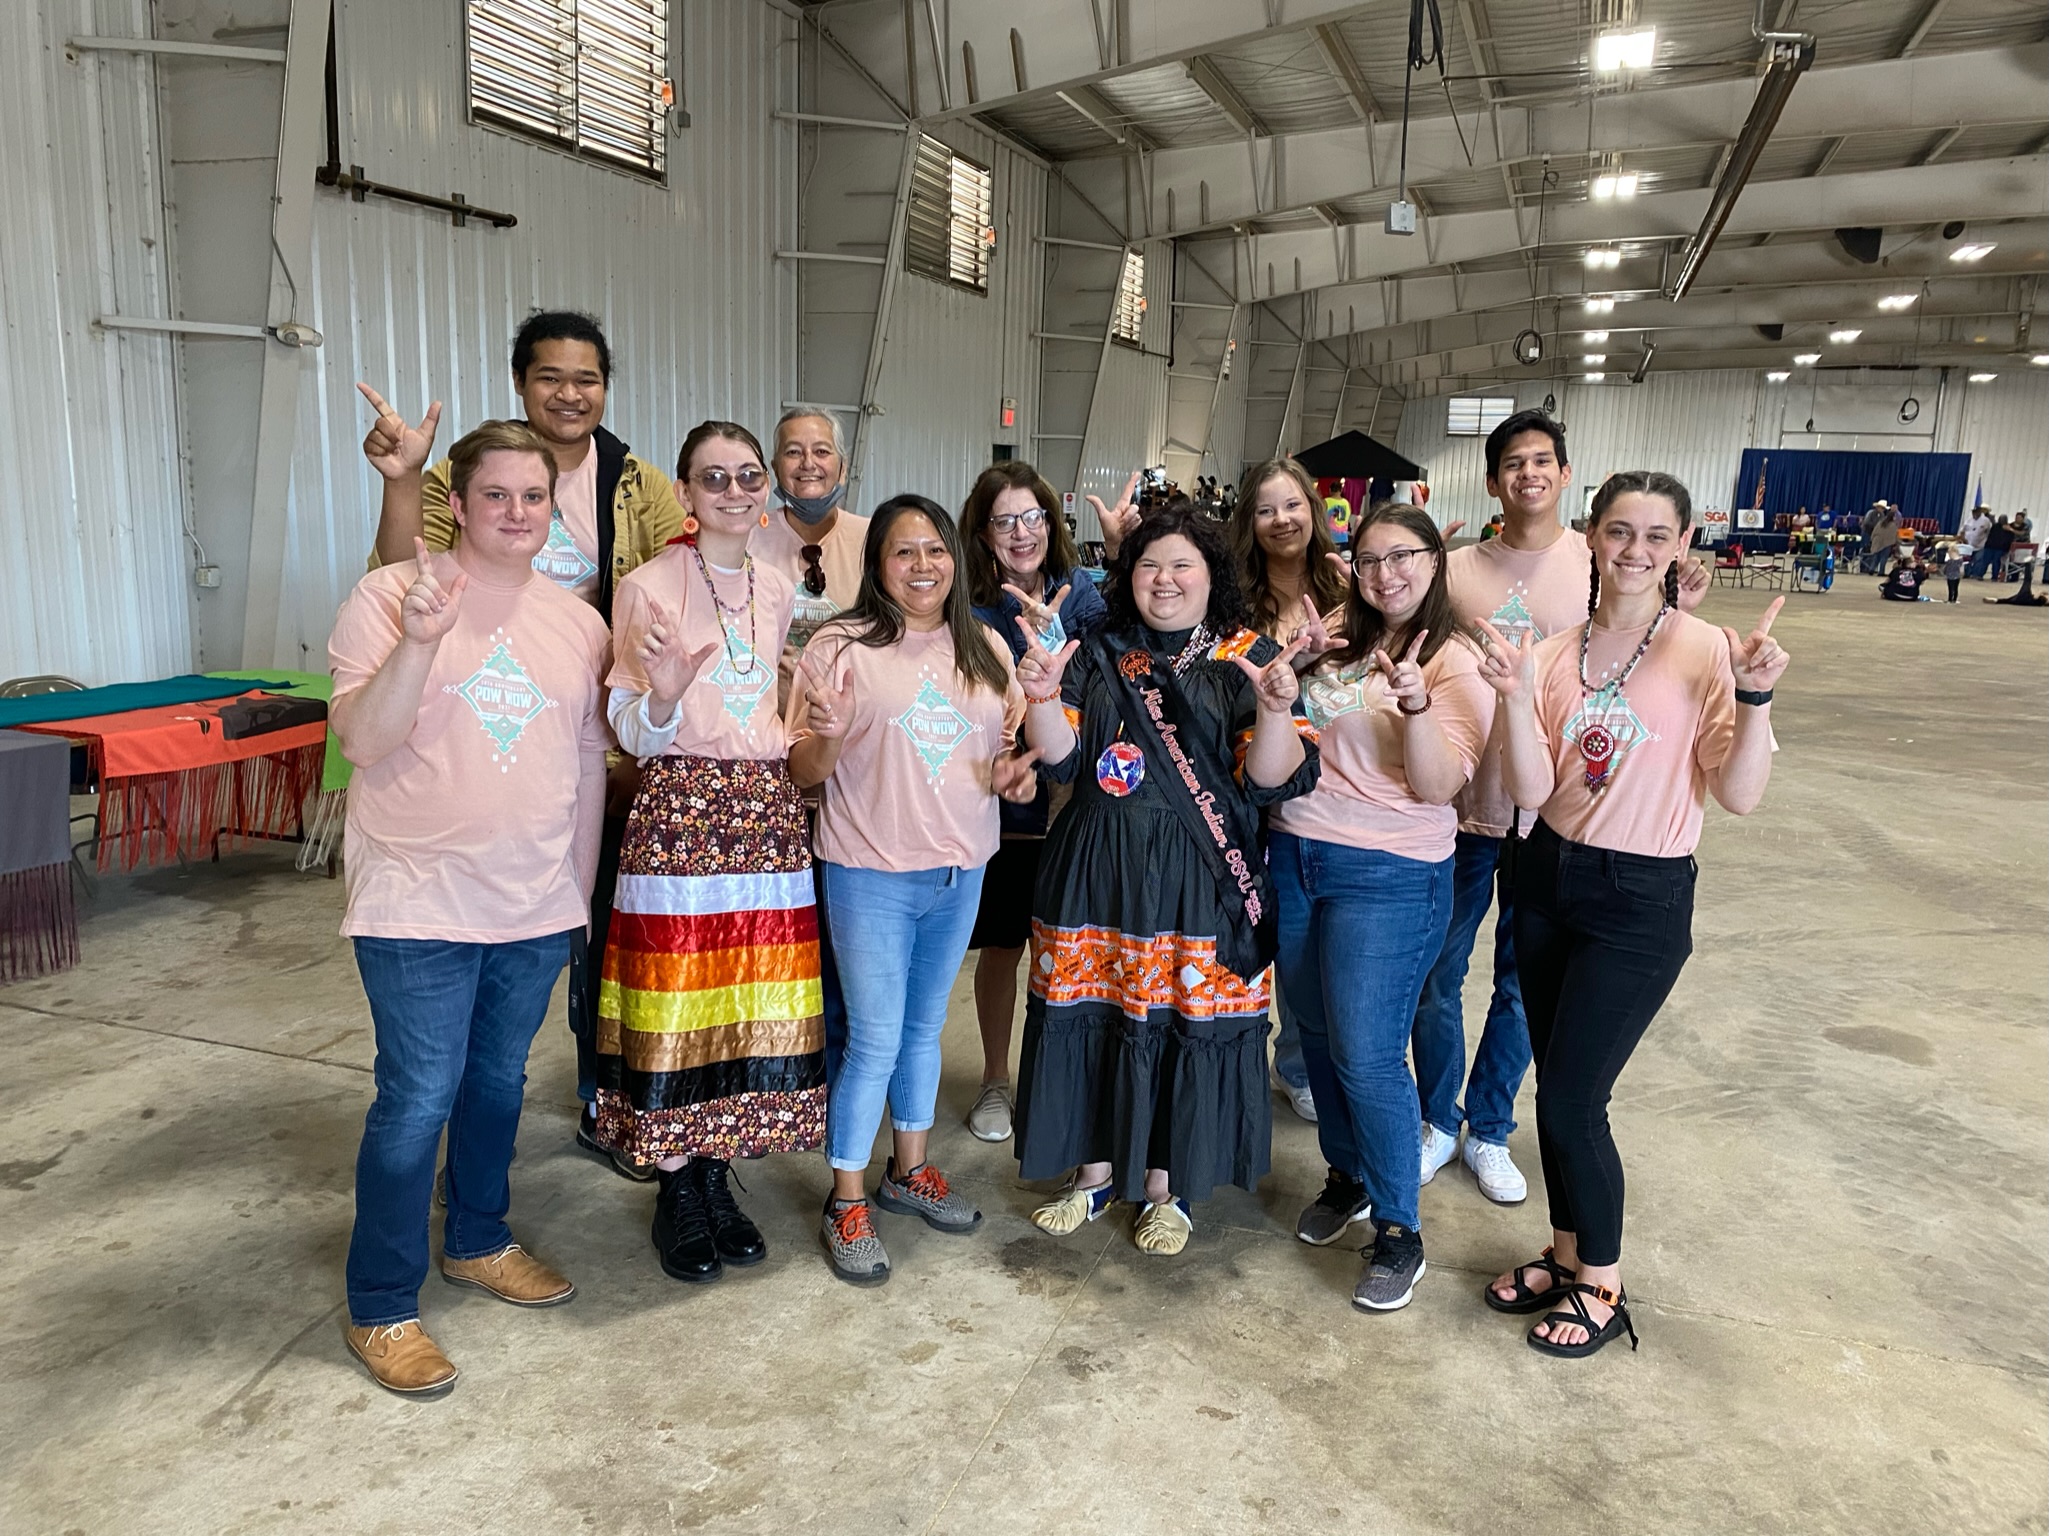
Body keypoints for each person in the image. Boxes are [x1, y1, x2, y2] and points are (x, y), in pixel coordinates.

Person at [357, 311, 684, 1183]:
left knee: (594, 930)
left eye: (586, 379)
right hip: (473, 702)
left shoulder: (638, 483)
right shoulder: (472, 466)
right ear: (521, 382)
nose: (569, 393)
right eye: (550, 376)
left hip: (588, 706)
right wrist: (404, 479)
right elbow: (402, 576)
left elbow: (665, 584)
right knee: (428, 1074)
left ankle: (597, 1100)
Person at [1475, 469, 1787, 1358]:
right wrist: (1506, 696)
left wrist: (1756, 698)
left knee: (1575, 1099)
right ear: (1591, 536)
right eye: (1619, 531)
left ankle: (1602, 1286)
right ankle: (1567, 1253)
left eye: (1656, 535)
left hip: (1639, 897)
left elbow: (1739, 794)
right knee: (1552, 1086)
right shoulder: (1547, 655)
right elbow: (1531, 790)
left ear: (1681, 545)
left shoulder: (1706, 653)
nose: (1635, 551)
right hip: (1541, 879)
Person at [328, 421, 611, 1395]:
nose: (518, 514)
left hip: (532, 904)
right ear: (458, 500)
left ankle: (479, 1237)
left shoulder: (577, 621)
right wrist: (418, 641)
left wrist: (574, 889)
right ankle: (382, 1304)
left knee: (496, 1084)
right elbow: (363, 742)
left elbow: (582, 764)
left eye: (535, 497)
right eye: (497, 495)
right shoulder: (384, 598)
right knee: (415, 1101)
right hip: (416, 901)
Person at [1410, 412, 1708, 1210]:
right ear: (1492, 479)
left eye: (1542, 460)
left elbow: (1655, 650)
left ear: (1565, 474)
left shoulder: (1606, 557)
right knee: (1438, 975)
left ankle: (1488, 1127)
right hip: (1464, 810)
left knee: (1520, 985)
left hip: (1553, 822)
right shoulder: (1455, 568)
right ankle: (1434, 1119)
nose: (1527, 474)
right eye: (1512, 462)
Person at [1012, 501, 1321, 1257]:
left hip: (1201, 880)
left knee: (1182, 1020)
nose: (1164, 578)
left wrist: (1278, 707)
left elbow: (1271, 778)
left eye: (1182, 563)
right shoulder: (1095, 649)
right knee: (1096, 1015)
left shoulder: (1248, 655)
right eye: (1148, 564)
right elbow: (1059, 760)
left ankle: (1166, 1181)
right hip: (1096, 875)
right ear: (1127, 575)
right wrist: (1042, 696)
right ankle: (1090, 1174)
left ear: (1212, 575)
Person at [598, 422, 827, 1285]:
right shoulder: (649, 587)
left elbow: (768, 694)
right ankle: (675, 1189)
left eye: (746, 475)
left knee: (743, 998)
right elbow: (625, 725)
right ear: (687, 495)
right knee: (677, 999)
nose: (734, 489)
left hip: (762, 810)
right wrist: (658, 699)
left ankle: (718, 1177)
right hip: (681, 804)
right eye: (713, 477)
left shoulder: (774, 588)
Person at [787, 496, 1036, 1286]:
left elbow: (1000, 755)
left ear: (955, 561)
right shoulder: (842, 646)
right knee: (874, 1040)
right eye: (903, 552)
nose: (922, 566)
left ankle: (910, 1170)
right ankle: (846, 1199)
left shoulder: (986, 647)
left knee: (925, 1031)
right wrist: (824, 731)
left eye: (935, 550)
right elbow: (804, 773)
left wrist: (1007, 779)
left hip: (961, 869)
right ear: (877, 565)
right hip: (871, 871)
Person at [1275, 503, 1494, 1311]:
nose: (1385, 574)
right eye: (1368, 560)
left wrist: (1412, 706)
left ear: (1435, 562)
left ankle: (1399, 1229)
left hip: (1390, 870)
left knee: (1368, 1054)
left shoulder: (1453, 661)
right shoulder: (1336, 635)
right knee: (1321, 1036)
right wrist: (1292, 665)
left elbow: (1440, 786)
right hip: (1295, 852)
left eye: (1402, 557)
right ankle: (1349, 1176)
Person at [960, 461, 1109, 1143]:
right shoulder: (968, 605)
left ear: (1052, 522)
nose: (1020, 533)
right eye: (1003, 521)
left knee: (1073, 950)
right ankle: (996, 1078)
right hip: (1004, 808)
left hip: (1079, 808)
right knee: (1001, 946)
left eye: (1032, 517)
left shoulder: (1084, 595)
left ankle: (1063, 1078)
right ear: (983, 532)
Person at [1230, 458, 1353, 1123]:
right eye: (1265, 509)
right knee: (1267, 938)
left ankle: (1307, 1061)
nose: (1281, 520)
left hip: (1334, 794)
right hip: (1251, 797)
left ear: (1314, 509)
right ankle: (1261, 1057)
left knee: (1323, 950)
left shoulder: (1346, 587)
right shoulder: (1233, 599)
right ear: (1247, 522)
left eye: (1292, 505)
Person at [753, 406, 871, 668]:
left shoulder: (874, 539)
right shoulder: (747, 538)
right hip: (769, 704)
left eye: (821, 451)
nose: (808, 463)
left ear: (843, 467)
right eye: (793, 452)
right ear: (774, 468)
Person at [1984, 516, 2018, 582]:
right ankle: (1979, 574)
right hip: (1990, 547)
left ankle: (1994, 576)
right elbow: (1990, 536)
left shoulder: (2009, 528)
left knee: (1996, 561)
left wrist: (2006, 548)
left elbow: (2010, 539)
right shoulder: (1995, 527)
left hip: (2001, 548)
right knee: (1985, 561)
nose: (2001, 520)